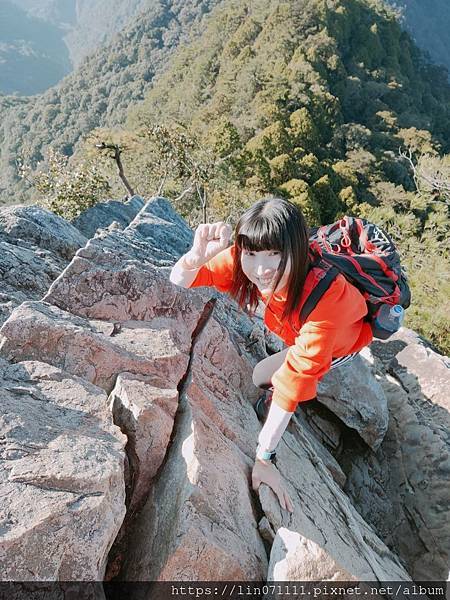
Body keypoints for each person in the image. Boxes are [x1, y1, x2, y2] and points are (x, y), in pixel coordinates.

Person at [170, 197, 373, 513]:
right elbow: (178, 283)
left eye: (274, 254)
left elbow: (293, 381)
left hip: (341, 342)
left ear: (295, 249)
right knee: (264, 375)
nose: (260, 269)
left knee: (269, 378)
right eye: (251, 255)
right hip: (300, 330)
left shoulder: (328, 296)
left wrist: (264, 458)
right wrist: (195, 258)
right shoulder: (244, 257)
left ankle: (285, 396)